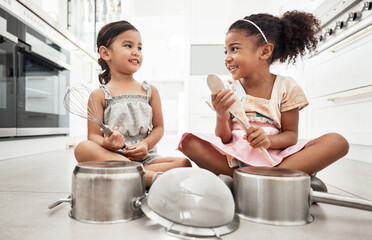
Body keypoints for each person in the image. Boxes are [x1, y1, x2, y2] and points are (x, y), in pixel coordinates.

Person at [177, 11, 349, 190]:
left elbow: (291, 135)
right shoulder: (229, 88)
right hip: (236, 157)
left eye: (234, 49)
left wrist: (268, 140)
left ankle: (249, 182)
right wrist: (221, 115)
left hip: (276, 155)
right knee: (189, 141)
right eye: (226, 51)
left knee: (337, 142)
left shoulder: (286, 87)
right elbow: (224, 139)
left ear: (265, 51)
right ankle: (286, 180)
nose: (227, 58)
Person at [74, 20, 191, 187]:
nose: (136, 52)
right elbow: (92, 137)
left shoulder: (150, 90)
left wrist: (145, 144)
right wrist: (107, 144)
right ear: (106, 53)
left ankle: (132, 174)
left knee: (183, 164)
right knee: (82, 148)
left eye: (139, 48)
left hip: (146, 159)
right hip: (113, 157)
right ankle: (149, 178)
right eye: (128, 46)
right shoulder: (98, 95)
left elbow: (159, 128)